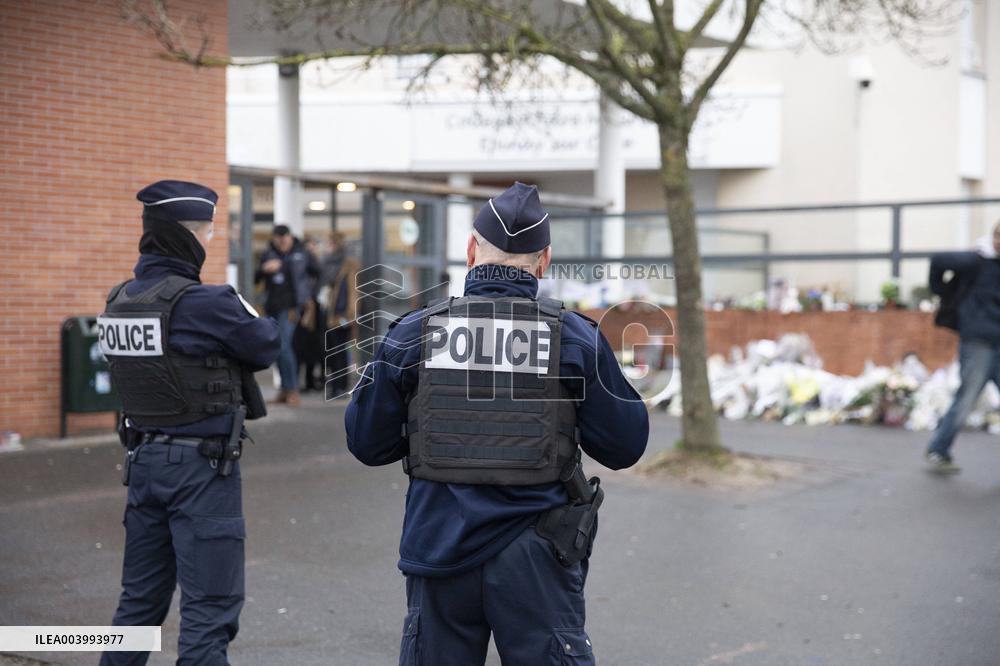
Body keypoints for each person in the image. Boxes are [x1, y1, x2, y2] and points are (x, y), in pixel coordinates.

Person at [345, 182, 649, 665]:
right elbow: (625, 445)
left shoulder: (414, 333)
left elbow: (367, 442)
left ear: (470, 251)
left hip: (440, 544)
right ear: (544, 260)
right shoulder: (574, 339)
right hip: (537, 558)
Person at [98, 180, 280, 665]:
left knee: (136, 608)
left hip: (143, 464)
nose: (209, 241)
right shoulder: (209, 302)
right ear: (187, 236)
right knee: (209, 611)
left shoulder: (118, 301)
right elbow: (265, 343)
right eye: (206, 232)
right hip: (201, 472)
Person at [926, 221, 1000, 473]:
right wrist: (942, 292)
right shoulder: (976, 261)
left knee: (966, 397)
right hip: (978, 342)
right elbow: (938, 261)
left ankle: (939, 449)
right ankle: (938, 449)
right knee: (967, 398)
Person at [255, 224, 318, 406]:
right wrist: (265, 269)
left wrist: (308, 294)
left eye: (285, 239)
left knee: (284, 346)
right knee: (275, 347)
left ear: (290, 238)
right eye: (279, 240)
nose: (282, 243)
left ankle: (292, 389)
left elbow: (319, 273)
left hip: (290, 308)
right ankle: (284, 389)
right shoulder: (268, 254)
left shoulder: (302, 253)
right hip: (271, 305)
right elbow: (256, 277)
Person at [319, 231, 358, 397]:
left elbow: (353, 292)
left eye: (328, 243)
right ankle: (336, 385)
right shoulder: (326, 264)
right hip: (328, 314)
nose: (326, 247)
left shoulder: (349, 265)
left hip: (342, 315)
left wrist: (349, 315)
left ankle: (340, 386)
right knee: (332, 352)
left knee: (339, 352)